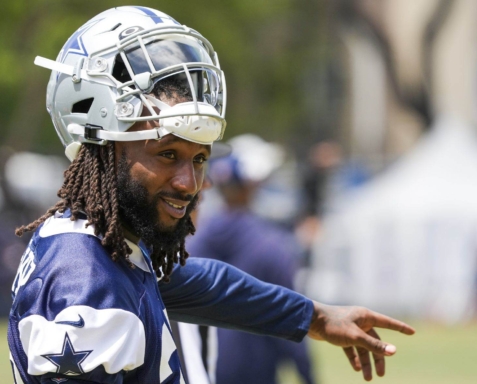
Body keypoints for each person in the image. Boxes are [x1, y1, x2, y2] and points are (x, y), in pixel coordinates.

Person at [8, 6, 414, 384]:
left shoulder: (100, 243)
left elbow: (205, 284)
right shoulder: (89, 287)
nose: (189, 184)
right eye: (167, 154)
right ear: (101, 145)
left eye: (200, 158)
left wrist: (316, 316)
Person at [187, 134, 315, 384]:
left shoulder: (190, 243)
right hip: (257, 373)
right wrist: (309, 377)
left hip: (198, 373)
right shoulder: (272, 245)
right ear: (253, 184)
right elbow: (289, 320)